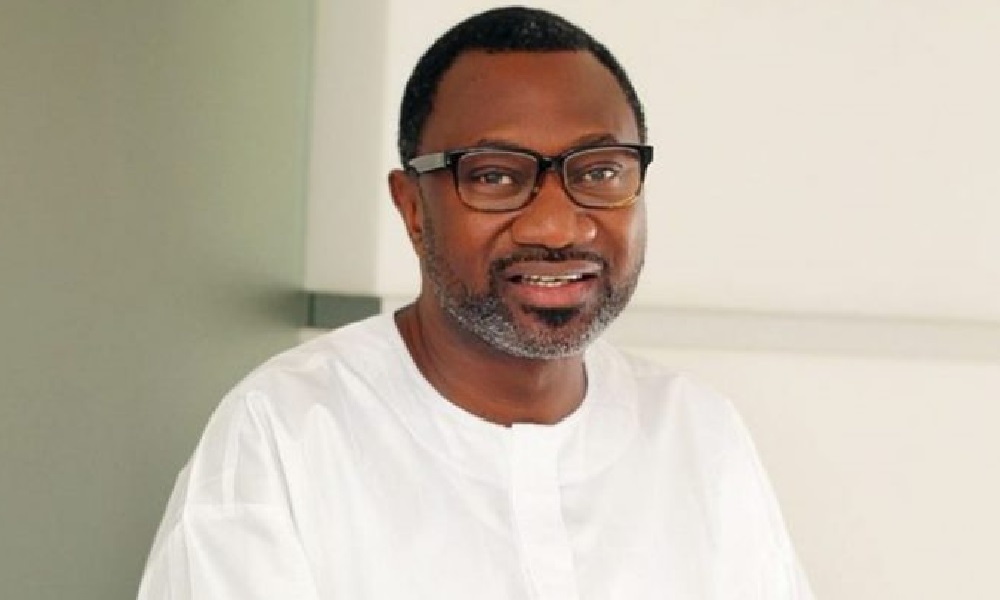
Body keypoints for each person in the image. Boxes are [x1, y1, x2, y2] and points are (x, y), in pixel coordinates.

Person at [137, 6, 814, 599]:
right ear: (413, 208)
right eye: (494, 177)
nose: (557, 226)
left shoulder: (698, 435)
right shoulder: (285, 436)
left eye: (600, 171)